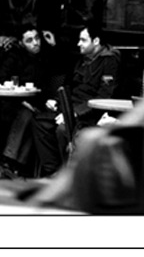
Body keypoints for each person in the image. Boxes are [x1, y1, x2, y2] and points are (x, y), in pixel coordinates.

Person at [31, 20, 120, 176]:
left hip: (90, 113)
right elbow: (69, 86)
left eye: (83, 40)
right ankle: (53, 170)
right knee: (40, 122)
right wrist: (57, 102)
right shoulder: (82, 59)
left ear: (96, 41)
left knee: (62, 129)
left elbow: (105, 96)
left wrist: (74, 113)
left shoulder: (109, 61)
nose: (79, 44)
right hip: (71, 107)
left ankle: (68, 174)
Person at [0, 25, 62, 177]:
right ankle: (10, 162)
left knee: (34, 117)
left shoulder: (44, 56)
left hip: (38, 103)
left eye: (37, 38)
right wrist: (21, 97)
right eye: (30, 40)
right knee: (27, 114)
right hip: (14, 103)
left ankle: (11, 165)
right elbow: (0, 78)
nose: (35, 43)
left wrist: (53, 44)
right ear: (22, 43)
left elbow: (59, 69)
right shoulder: (14, 56)